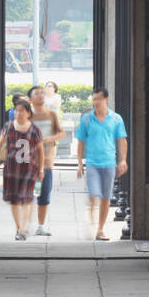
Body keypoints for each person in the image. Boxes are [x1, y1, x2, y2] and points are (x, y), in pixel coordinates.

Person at [75, 87, 128, 241]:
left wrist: (123, 160)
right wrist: (80, 163)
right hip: (92, 163)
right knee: (93, 195)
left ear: (107, 99)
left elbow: (122, 140)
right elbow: (80, 141)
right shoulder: (86, 119)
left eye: (99, 99)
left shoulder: (116, 119)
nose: (96, 102)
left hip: (109, 163)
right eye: (94, 99)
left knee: (105, 197)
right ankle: (91, 225)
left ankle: (100, 229)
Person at [0, 96, 44, 241]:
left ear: (28, 113)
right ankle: (18, 227)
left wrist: (41, 169)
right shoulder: (8, 126)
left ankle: (22, 229)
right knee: (15, 200)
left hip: (29, 168)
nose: (18, 113)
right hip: (12, 168)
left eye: (21, 111)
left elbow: (40, 150)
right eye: (16, 110)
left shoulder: (34, 130)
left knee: (27, 199)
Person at [26, 85, 64, 236]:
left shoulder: (52, 114)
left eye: (42, 93)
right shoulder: (27, 115)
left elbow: (61, 133)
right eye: (37, 94)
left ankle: (40, 227)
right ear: (30, 99)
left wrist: (50, 138)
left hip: (46, 162)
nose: (41, 95)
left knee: (43, 194)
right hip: (28, 162)